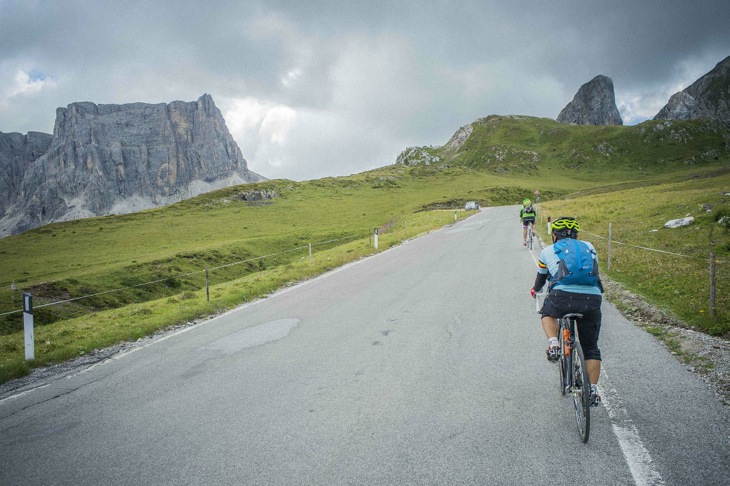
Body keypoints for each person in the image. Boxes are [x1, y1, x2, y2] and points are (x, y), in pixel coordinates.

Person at [530, 216, 604, 406]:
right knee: (591, 348)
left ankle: (554, 343)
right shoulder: (589, 246)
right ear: (576, 234)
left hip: (562, 296)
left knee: (547, 313)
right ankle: (593, 391)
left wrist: (535, 290)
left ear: (555, 235)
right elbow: (595, 273)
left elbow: (541, 278)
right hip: (592, 299)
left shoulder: (547, 251)